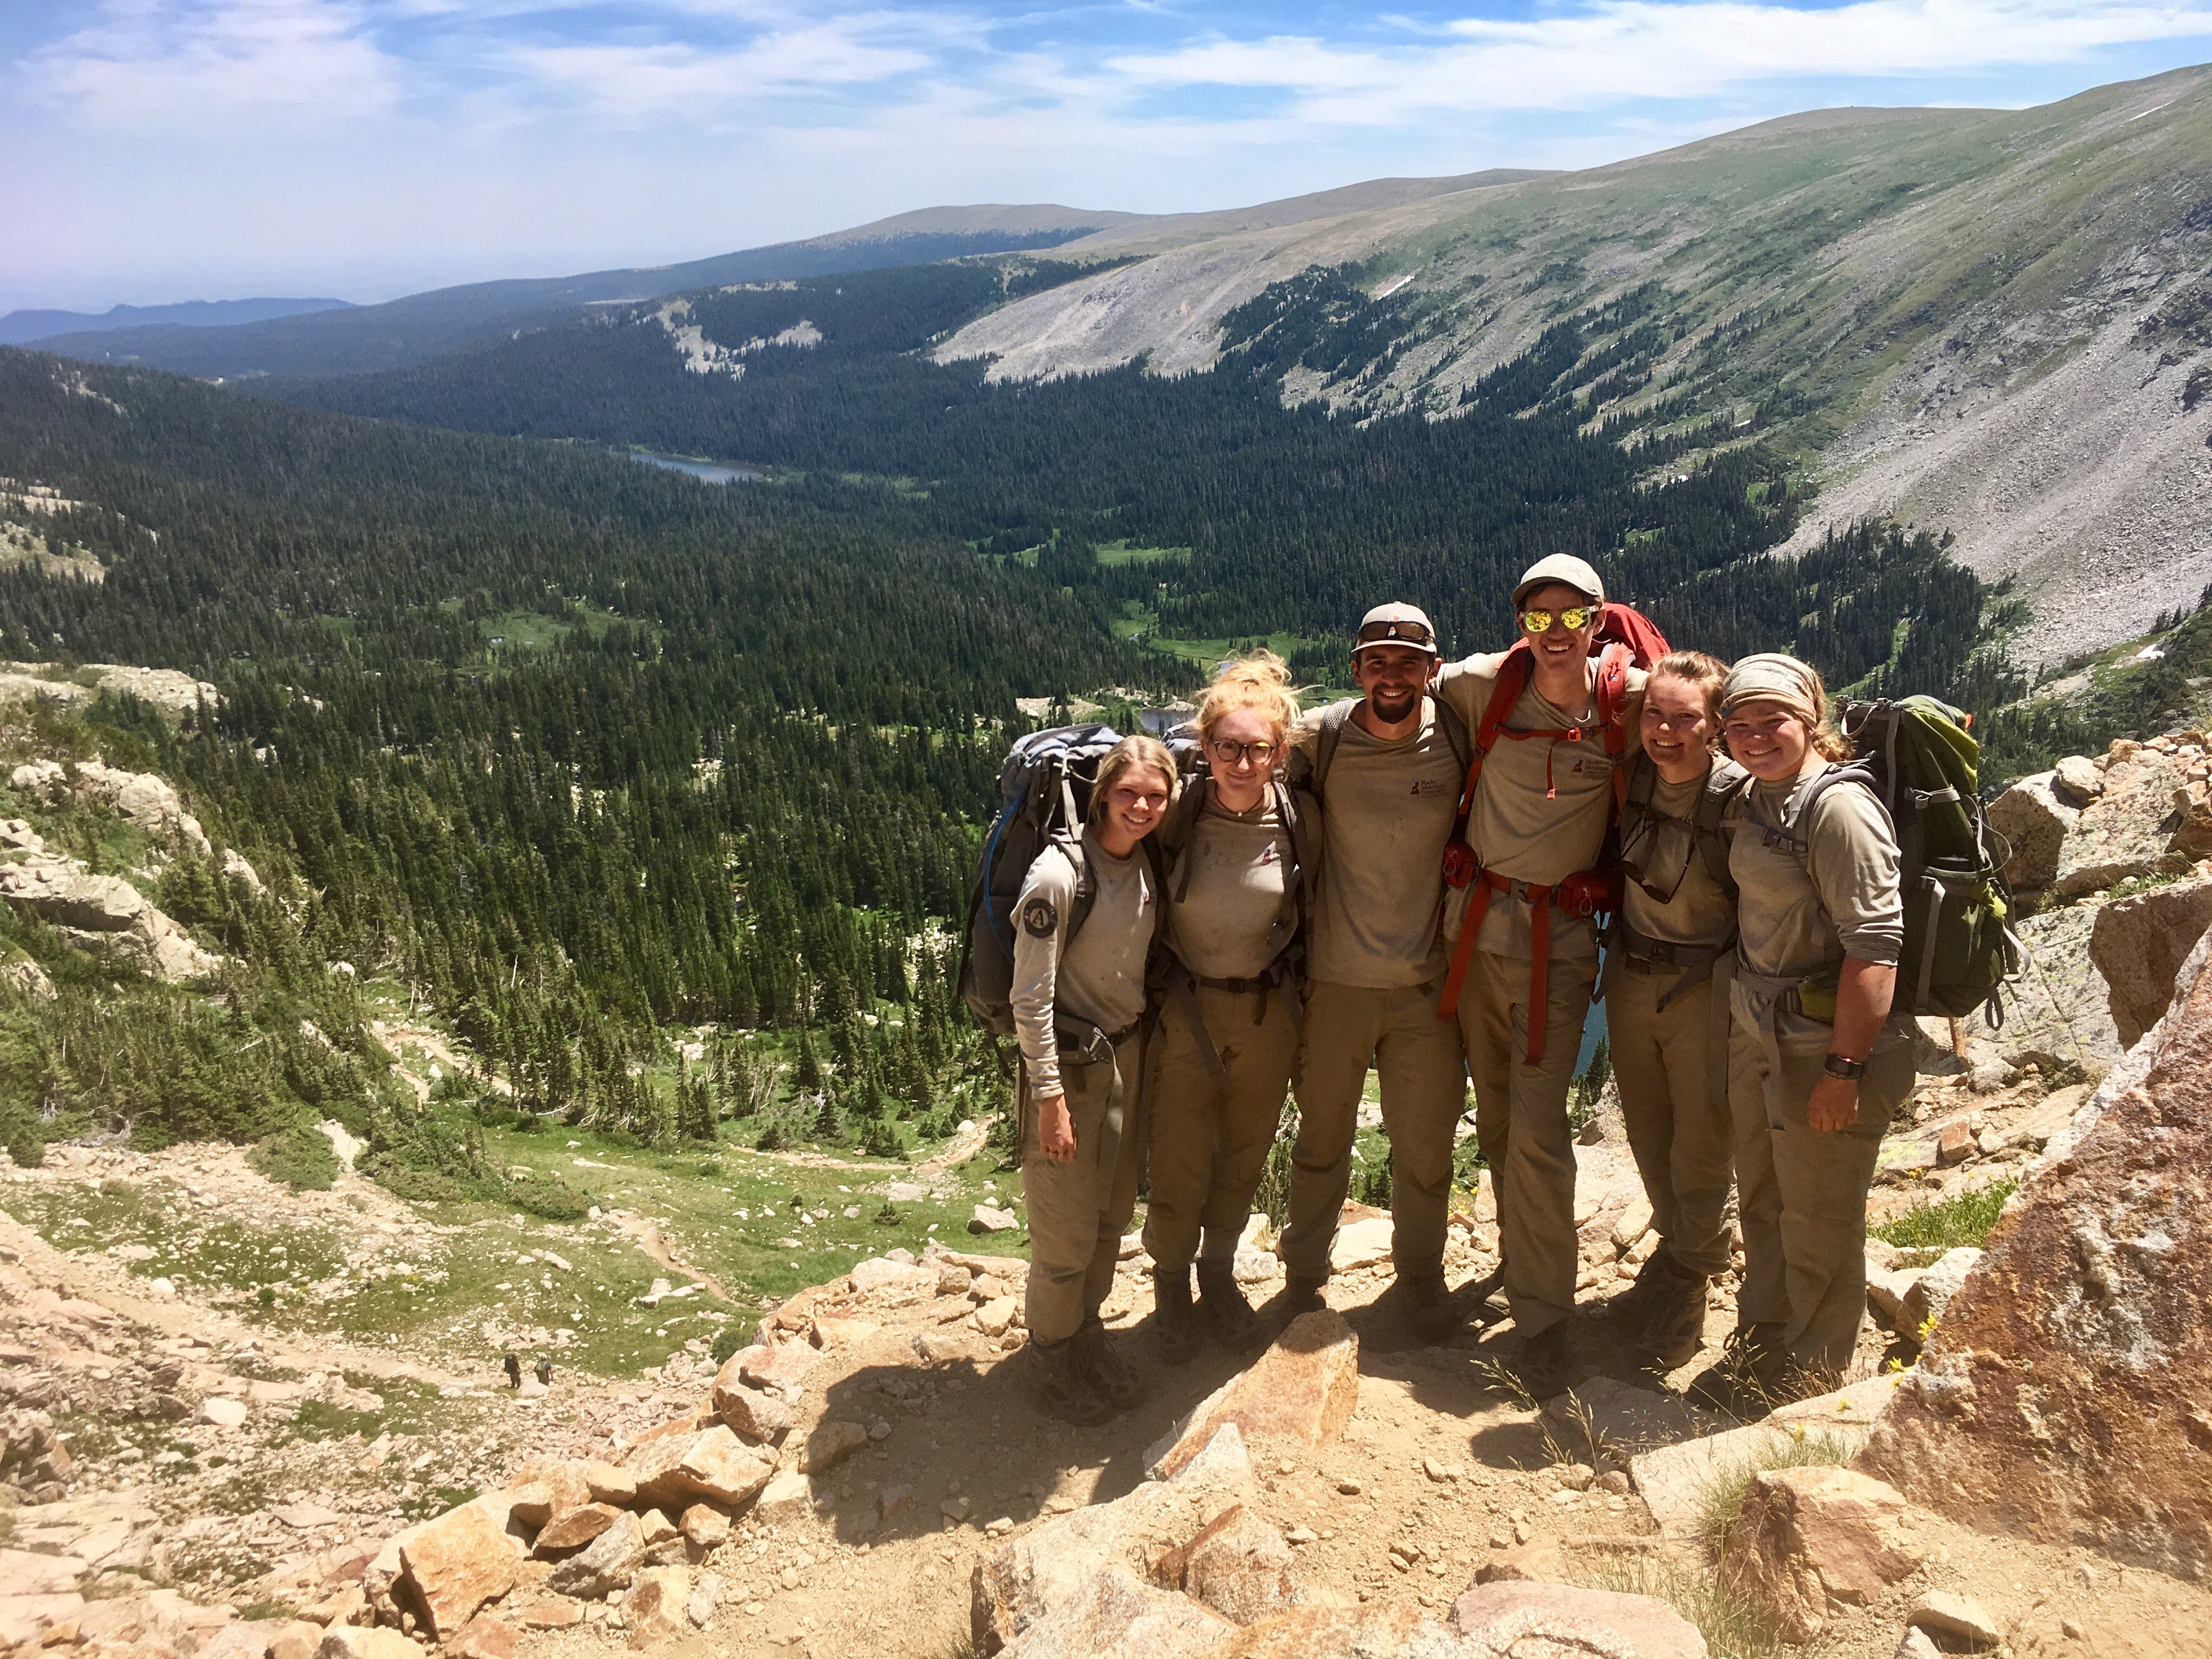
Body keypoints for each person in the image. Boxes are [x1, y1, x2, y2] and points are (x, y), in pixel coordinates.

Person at [1434, 554, 1645, 1391]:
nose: (1554, 635)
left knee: (1536, 1127)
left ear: (1598, 621)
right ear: (1520, 624)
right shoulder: (1487, 684)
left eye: (1571, 619)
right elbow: (1403, 681)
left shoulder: (1626, 702)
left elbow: (1710, 707)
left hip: (1557, 945)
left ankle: (1547, 1321)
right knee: (1496, 1121)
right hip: (1475, 933)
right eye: (1537, 619)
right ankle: (1519, 1263)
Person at [1694, 653, 1913, 1409]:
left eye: (1773, 721)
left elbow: (1876, 947)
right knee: (1762, 1195)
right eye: (1739, 724)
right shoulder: (1759, 796)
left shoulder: (1838, 809)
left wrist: (1844, 1070)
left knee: (1818, 1213)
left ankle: (1811, 1383)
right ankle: (1763, 1343)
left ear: (1812, 720)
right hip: (1761, 1024)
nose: (1755, 736)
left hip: (1822, 1040)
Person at [1278, 603, 1471, 1342]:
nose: (1393, 675)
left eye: (1409, 661)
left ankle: (1421, 1278)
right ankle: (1303, 1280)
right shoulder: (1320, 738)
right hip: (1334, 984)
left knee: (1425, 1145)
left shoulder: (1455, 733)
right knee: (1321, 1140)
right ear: (1356, 668)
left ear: (1434, 667)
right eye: (1378, 661)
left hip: (1427, 986)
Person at [1145, 652, 1315, 1361]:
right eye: (1228, 748)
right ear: (1205, 748)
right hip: (1188, 1013)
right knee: (1181, 1159)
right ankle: (1170, 1290)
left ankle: (1217, 1274)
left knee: (1243, 1155)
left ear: (1280, 753)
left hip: (1266, 1013)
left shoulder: (1298, 818)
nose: (1243, 763)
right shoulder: (1176, 814)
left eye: (1258, 750)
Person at [1010, 735, 1175, 1424]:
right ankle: (1048, 1362)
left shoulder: (1145, 863)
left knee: (1109, 1218)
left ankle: (1085, 1335)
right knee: (1064, 1235)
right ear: (1102, 791)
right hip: (1073, 1074)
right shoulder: (1057, 876)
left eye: (1156, 796)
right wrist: (1049, 1099)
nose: (1141, 807)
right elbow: (1030, 999)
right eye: (1128, 792)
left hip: (1126, 1061)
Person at [1604, 650, 1744, 1373]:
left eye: (1684, 717)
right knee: (1648, 1132)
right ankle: (1677, 1250)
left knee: (1702, 1142)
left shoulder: (1737, 797)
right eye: (1653, 713)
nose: (1664, 730)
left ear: (1715, 723)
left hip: (1705, 990)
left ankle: (1689, 1286)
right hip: (1630, 976)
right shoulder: (1633, 779)